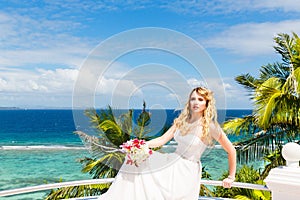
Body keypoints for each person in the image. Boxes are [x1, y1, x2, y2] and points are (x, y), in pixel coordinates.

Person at [97, 87, 236, 200]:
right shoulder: (181, 121)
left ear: (206, 104)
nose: (196, 102)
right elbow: (162, 139)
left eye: (200, 99)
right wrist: (140, 145)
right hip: (172, 161)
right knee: (134, 159)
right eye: (193, 98)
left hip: (187, 170)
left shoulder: (210, 126)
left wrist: (231, 177)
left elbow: (231, 150)